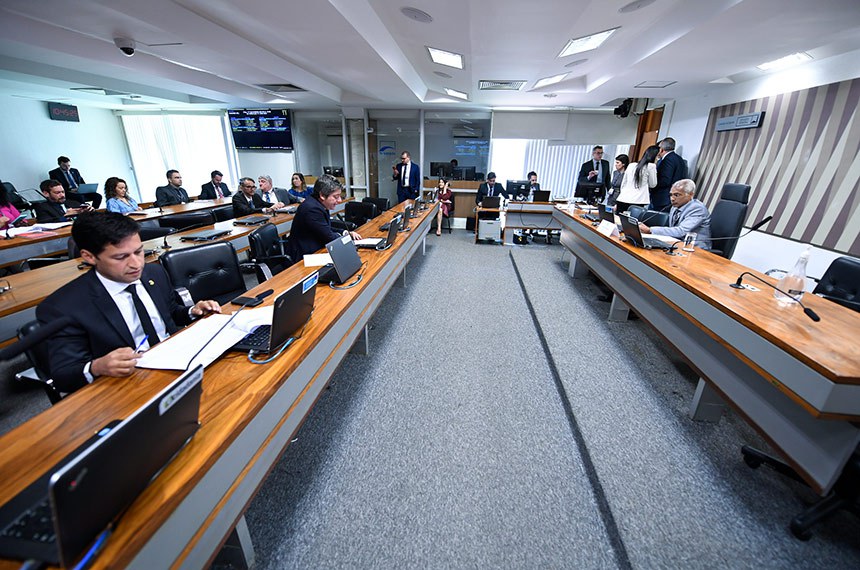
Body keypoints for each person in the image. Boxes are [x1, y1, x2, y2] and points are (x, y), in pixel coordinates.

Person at [35, 211, 221, 393]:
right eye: (121, 257)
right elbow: (63, 376)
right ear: (89, 257)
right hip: (129, 385)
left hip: (180, 365)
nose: (136, 264)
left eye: (139, 252)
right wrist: (97, 366)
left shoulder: (153, 273)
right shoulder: (63, 306)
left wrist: (192, 311)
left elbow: (170, 313)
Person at [284, 175, 362, 263]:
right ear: (322, 195)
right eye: (336, 197)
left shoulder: (319, 203)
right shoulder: (312, 209)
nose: (340, 200)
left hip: (316, 248)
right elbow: (329, 236)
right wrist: (347, 238)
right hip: (304, 257)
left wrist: (345, 232)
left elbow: (324, 227)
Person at [639, 179, 711, 249]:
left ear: (690, 195)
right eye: (671, 195)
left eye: (677, 195)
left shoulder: (697, 209)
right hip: (677, 243)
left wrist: (650, 230)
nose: (672, 199)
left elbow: (681, 231)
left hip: (695, 248)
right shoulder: (675, 206)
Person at [615, 145, 658, 213]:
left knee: (618, 219)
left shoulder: (631, 165)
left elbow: (624, 183)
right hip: (638, 200)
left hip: (623, 198)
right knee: (632, 222)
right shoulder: (651, 166)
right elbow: (652, 184)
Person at [651, 137, 686, 212]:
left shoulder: (667, 159)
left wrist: (652, 185)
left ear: (661, 149)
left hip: (662, 198)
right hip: (672, 197)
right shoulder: (680, 159)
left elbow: (665, 180)